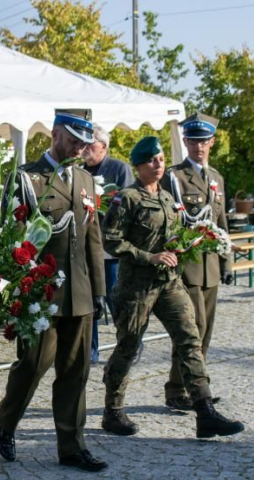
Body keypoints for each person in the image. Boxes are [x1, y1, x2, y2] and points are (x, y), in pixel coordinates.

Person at [101, 136, 244, 439]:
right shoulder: (127, 197)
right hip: (136, 287)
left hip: (169, 282)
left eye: (161, 159)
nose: (158, 164)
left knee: (190, 340)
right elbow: (111, 240)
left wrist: (190, 243)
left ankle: (204, 411)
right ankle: (112, 410)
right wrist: (148, 255)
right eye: (151, 160)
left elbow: (174, 233)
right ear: (138, 165)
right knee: (128, 347)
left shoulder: (167, 197)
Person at [0, 109, 107, 472]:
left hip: (81, 291)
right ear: (55, 133)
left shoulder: (86, 181)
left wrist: (100, 290)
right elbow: (11, 238)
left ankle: (72, 445)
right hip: (40, 292)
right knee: (33, 364)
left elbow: (93, 238)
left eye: (85, 143)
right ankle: (6, 423)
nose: (79, 148)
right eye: (74, 140)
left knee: (76, 371)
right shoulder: (27, 179)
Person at [160, 113, 233, 410]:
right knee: (193, 328)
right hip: (186, 266)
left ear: (212, 142)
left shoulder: (216, 178)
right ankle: (186, 390)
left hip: (211, 267)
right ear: (185, 142)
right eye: (192, 140)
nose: (198, 146)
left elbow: (222, 221)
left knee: (206, 331)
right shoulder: (174, 177)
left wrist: (227, 262)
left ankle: (186, 388)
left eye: (203, 141)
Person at [82, 125, 135, 364]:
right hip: (85, 249)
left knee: (116, 301)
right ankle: (89, 352)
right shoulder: (78, 170)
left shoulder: (119, 169)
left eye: (90, 145)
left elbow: (129, 203)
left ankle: (129, 346)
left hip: (111, 250)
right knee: (89, 302)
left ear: (103, 147)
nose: (84, 150)